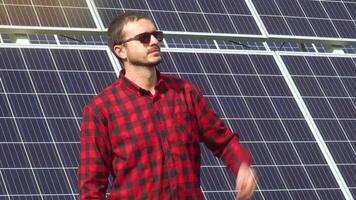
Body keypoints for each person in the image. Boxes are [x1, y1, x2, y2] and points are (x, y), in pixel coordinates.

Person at [79, 11, 256, 200]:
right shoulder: (101, 109)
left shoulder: (185, 93)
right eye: (144, 38)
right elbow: (91, 186)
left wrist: (241, 166)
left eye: (157, 35)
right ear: (120, 50)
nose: (155, 41)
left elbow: (224, 141)